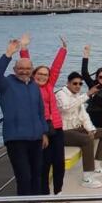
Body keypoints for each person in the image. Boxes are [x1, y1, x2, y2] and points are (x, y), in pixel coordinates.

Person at [0, 38, 48, 203]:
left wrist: (44, 131)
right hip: (16, 138)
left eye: (27, 69)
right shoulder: (6, 85)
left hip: (36, 137)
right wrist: (8, 53)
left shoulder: (33, 86)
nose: (24, 71)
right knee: (24, 176)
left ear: (31, 70)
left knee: (37, 174)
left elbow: (40, 111)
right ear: (15, 70)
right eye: (20, 68)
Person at [20, 37, 73, 193]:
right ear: (33, 75)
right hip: (41, 131)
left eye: (45, 74)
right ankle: (44, 192)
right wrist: (24, 48)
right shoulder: (30, 87)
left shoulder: (50, 85)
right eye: (39, 74)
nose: (42, 76)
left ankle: (58, 191)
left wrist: (63, 49)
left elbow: (56, 68)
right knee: (44, 163)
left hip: (56, 128)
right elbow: (26, 64)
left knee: (59, 162)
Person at [56, 72, 102, 185]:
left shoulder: (78, 95)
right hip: (64, 132)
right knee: (87, 140)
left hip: (77, 129)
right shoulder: (60, 95)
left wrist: (91, 129)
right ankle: (87, 177)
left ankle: (97, 166)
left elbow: (84, 116)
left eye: (80, 84)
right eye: (75, 83)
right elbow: (67, 108)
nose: (78, 86)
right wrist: (87, 94)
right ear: (68, 83)